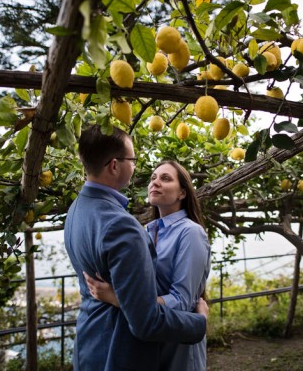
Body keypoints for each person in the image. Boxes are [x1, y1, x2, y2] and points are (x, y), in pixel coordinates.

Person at [64, 125, 208, 371]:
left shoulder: (76, 210)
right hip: (126, 346)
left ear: (183, 192)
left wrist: (117, 299)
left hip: (161, 347)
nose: (153, 181)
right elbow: (146, 318)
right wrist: (200, 322)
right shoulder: (133, 228)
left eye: (165, 178)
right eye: (132, 160)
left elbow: (181, 299)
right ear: (114, 165)